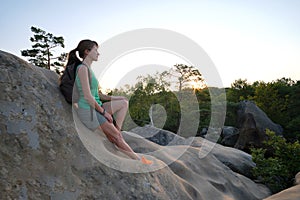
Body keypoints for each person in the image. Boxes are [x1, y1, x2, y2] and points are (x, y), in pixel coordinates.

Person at [67, 39, 152, 164]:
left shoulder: (89, 70)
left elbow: (97, 94)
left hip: (96, 107)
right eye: (95, 50)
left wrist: (115, 98)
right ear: (87, 52)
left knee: (123, 103)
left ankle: (116, 130)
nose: (98, 53)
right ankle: (139, 160)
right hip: (88, 111)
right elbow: (88, 97)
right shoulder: (82, 69)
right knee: (117, 138)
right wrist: (104, 113)